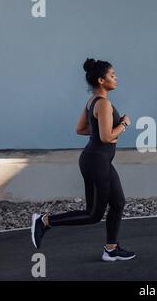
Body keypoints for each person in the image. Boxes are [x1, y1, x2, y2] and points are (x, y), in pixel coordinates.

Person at [31, 58, 135, 262]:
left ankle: (111, 249)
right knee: (93, 215)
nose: (116, 78)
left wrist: (101, 129)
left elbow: (80, 129)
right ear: (101, 79)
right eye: (112, 75)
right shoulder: (103, 103)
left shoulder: (92, 102)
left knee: (118, 202)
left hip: (99, 161)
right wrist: (124, 124)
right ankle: (44, 221)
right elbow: (107, 137)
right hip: (96, 162)